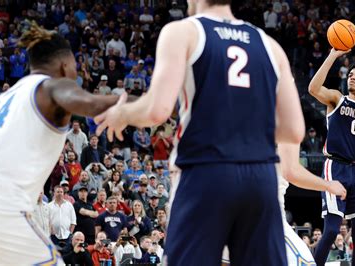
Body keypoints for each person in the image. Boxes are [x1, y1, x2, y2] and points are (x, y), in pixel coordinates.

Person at [94, 0, 305, 264]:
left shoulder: (183, 32)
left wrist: (122, 113)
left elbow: (157, 110)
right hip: (260, 178)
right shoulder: (271, 46)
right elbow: (294, 130)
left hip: (206, 171)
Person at [0, 22, 128, 265]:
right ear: (66, 65)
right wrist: (151, 105)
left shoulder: (6, 99)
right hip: (2, 207)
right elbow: (92, 103)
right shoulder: (54, 84)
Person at [308, 22, 355, 266]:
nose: (353, 77)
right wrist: (333, 54)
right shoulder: (336, 99)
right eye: (351, 74)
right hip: (337, 168)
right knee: (331, 231)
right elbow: (312, 88)